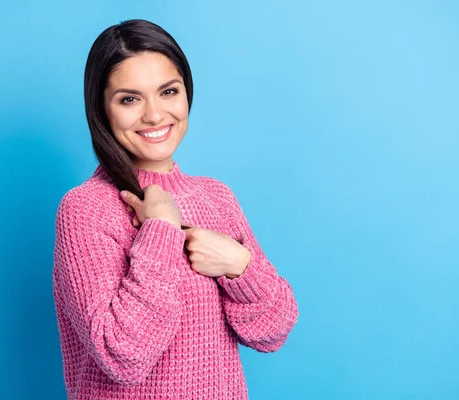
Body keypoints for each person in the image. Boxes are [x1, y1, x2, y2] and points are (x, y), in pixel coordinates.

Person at [52, 19, 299, 400]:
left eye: (168, 91)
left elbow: (274, 331)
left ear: (187, 93)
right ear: (101, 109)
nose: (154, 114)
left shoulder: (217, 198)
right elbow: (123, 356)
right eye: (129, 99)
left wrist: (239, 265)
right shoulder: (85, 209)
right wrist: (162, 231)